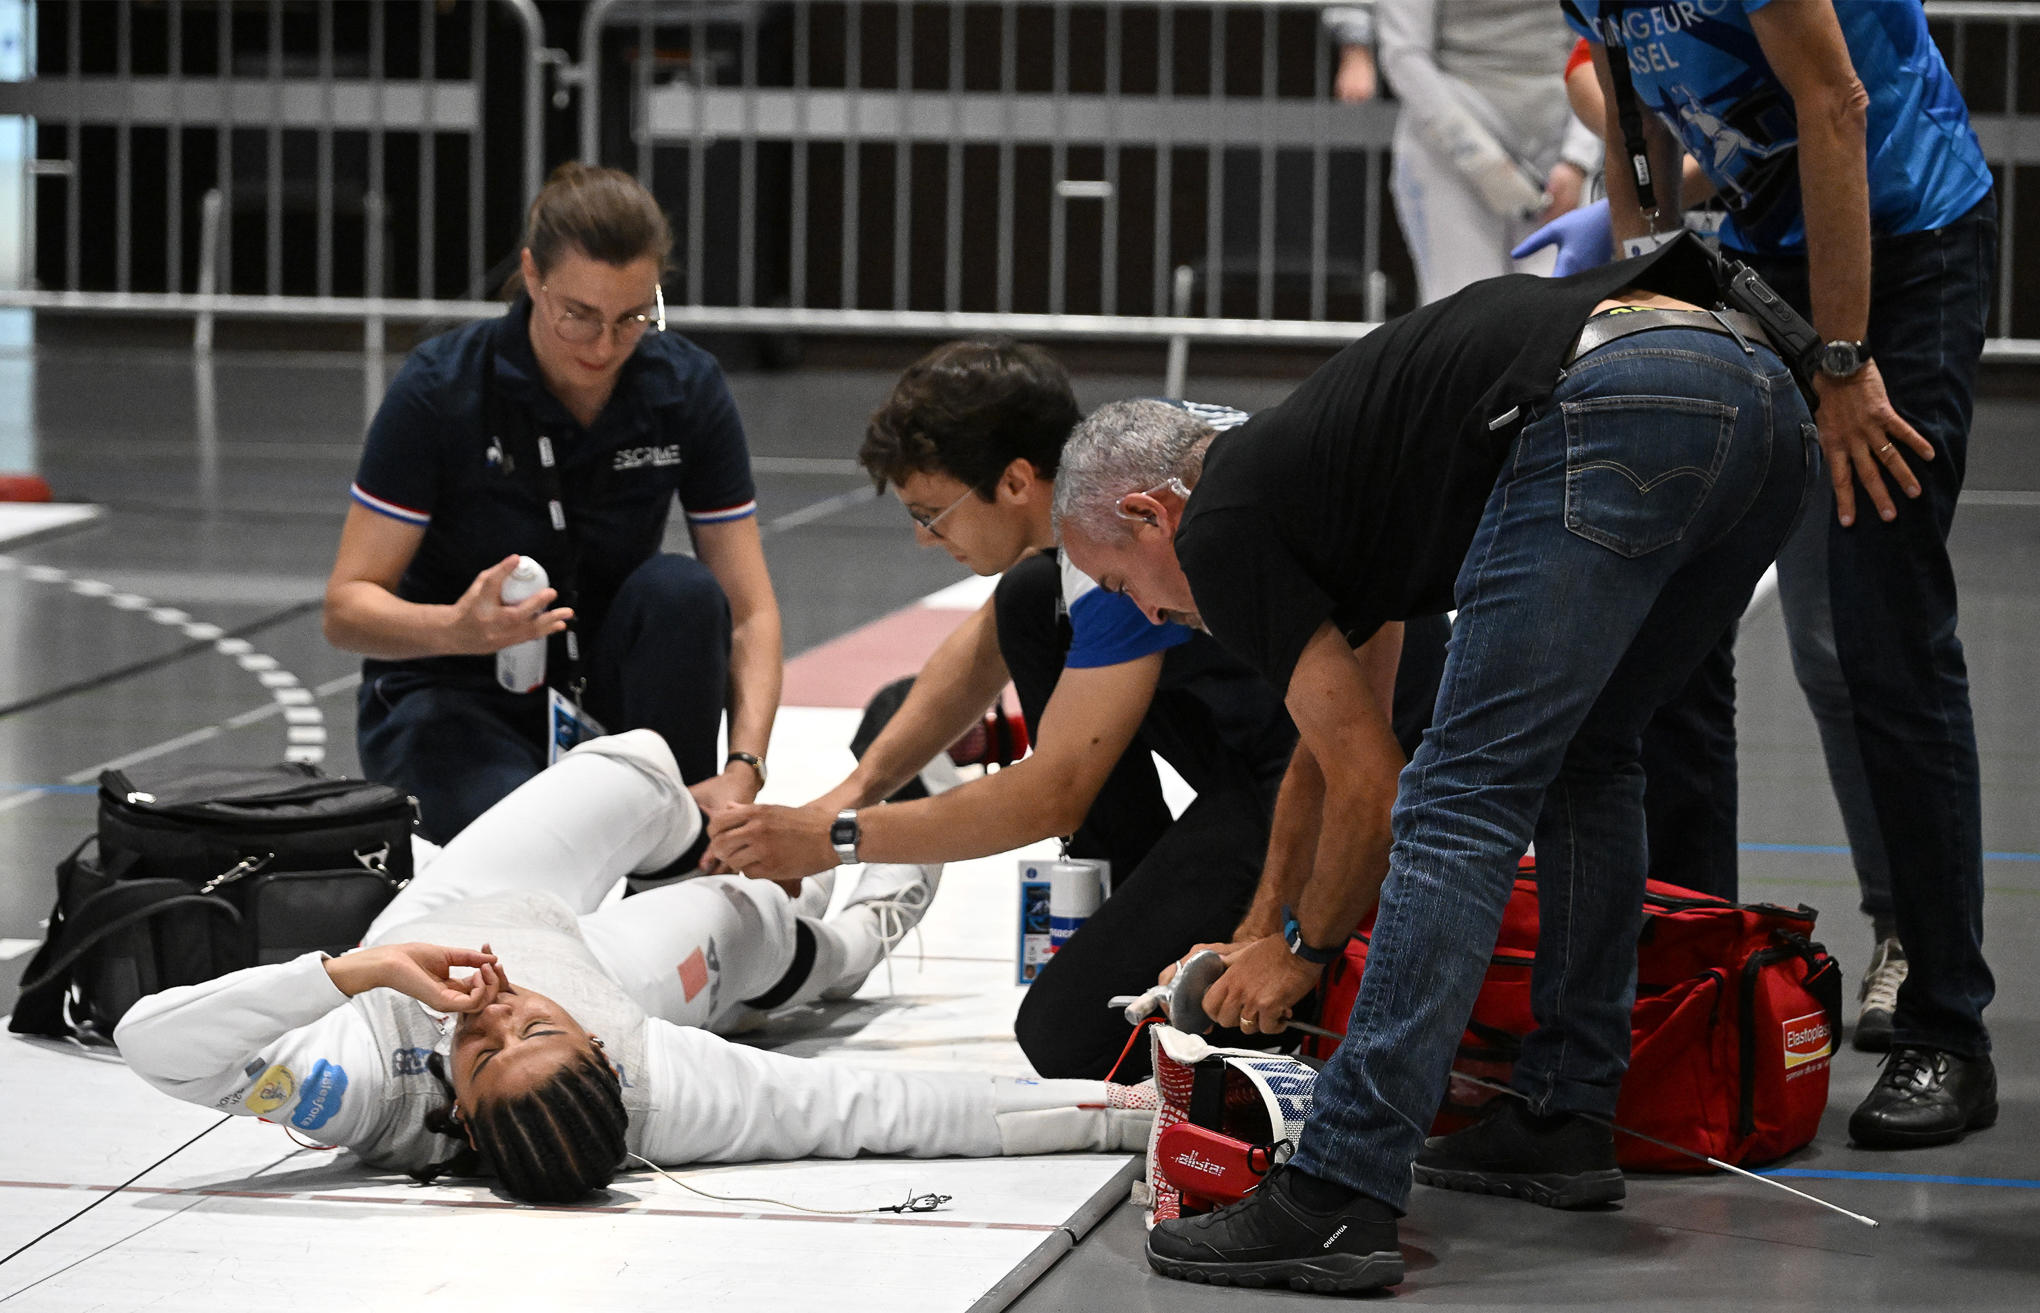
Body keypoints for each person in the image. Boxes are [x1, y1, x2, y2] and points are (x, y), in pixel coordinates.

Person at [1053, 234, 1813, 1292]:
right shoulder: (1315, 482)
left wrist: (1306, 950)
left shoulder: (1223, 529)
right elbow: (1330, 754)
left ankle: (1340, 1191)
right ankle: (1563, 1114)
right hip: (1761, 400)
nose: (1145, 610)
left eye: (1120, 577)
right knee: (1592, 756)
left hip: (1616, 394)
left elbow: (1385, 786)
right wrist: (1259, 928)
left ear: (1147, 512)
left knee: (1464, 798)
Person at [705, 339, 1445, 1081]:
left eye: (934, 514)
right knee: (1030, 605)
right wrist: (846, 794)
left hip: (1333, 749)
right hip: (1307, 702)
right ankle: (1147, 892)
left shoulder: (1127, 540)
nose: (925, 539)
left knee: (1073, 1036)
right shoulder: (1126, 461)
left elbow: (1055, 790)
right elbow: (984, 646)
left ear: (1017, 479)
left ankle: (1269, 1004)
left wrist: (837, 839)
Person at [113, 731, 1152, 1205]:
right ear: (606, 1057)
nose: (500, 1010)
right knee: (761, 912)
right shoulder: (669, 1089)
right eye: (537, 1032)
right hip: (615, 961)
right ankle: (865, 911)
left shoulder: (360, 1090)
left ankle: (700, 834)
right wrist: (1127, 1110)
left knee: (642, 762)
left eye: (490, 1042)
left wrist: (358, 969)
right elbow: (889, 1105)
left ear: (457, 1108)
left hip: (444, 908)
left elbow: (150, 1042)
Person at [1558, 0, 1997, 1113]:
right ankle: (1698, 974)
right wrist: (1643, 276)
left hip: (1898, 245)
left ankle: (1949, 1025)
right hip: (1754, 255)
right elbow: (1630, 109)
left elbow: (1836, 106)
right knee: (1672, 610)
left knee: (1879, 630)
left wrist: (1842, 363)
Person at [324, 162, 783, 844]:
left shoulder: (685, 387)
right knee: (541, 848)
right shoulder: (441, 388)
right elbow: (346, 607)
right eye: (580, 316)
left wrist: (744, 767)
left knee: (683, 590)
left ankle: (681, 836)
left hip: (607, 688)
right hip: (456, 694)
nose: (604, 346)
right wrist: (456, 629)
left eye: (632, 317)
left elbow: (751, 612)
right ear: (533, 276)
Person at [1374, 0, 1602, 304]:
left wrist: (1577, 160)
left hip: (1555, 154)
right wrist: (1483, 163)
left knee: (1556, 313)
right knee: (1463, 313)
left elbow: (1596, 44)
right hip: (1447, 158)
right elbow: (1404, 54)